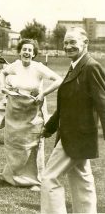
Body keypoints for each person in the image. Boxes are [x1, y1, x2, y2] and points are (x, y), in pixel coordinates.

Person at [40, 27, 105, 213]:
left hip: (77, 136)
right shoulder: (75, 65)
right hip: (71, 135)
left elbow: (103, 104)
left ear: (85, 44)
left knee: (49, 177)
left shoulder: (91, 67)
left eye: (73, 42)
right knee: (81, 179)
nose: (68, 46)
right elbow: (65, 105)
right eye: (66, 42)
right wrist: (49, 128)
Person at [0, 39, 62, 191]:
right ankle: (12, 175)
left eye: (29, 50)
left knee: (32, 144)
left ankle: (35, 180)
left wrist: (44, 93)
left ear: (33, 54)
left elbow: (59, 80)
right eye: (24, 49)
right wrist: (3, 86)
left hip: (33, 110)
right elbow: (3, 72)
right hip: (15, 109)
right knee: (14, 143)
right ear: (19, 52)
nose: (26, 52)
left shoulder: (39, 67)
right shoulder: (15, 65)